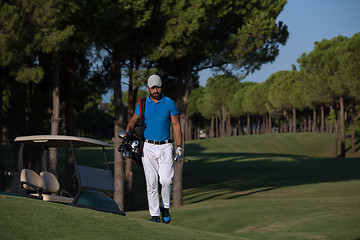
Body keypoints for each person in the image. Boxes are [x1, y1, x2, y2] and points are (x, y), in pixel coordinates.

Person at [126, 74, 183, 224]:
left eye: (157, 87)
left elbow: (176, 125)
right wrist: (127, 133)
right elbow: (134, 119)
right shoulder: (142, 103)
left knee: (166, 181)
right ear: (148, 88)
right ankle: (155, 215)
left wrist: (180, 146)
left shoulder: (170, 103)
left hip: (165, 147)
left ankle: (165, 207)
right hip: (148, 147)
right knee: (151, 183)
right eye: (153, 87)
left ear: (161, 86)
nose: (156, 90)